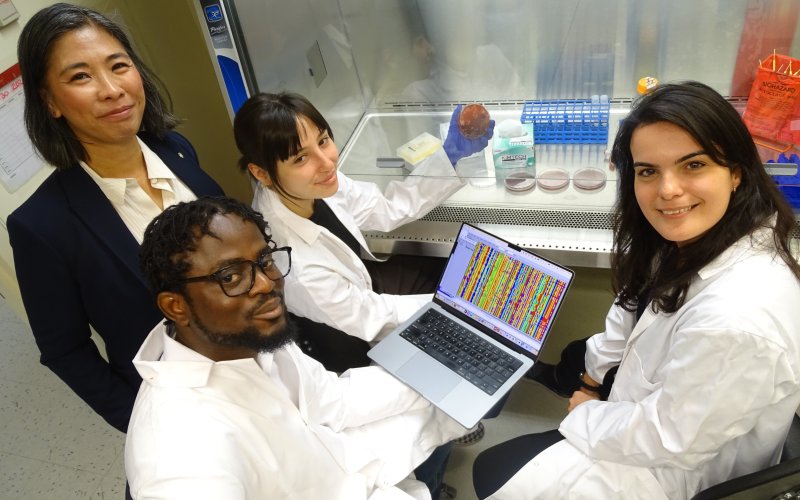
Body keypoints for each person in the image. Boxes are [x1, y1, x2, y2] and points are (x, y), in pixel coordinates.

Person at [471, 81, 800, 499]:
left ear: (736, 171)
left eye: (693, 165)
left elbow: (670, 439)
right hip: (638, 417)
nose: (667, 191)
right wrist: (591, 380)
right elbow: (631, 311)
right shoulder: (696, 236)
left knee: (496, 472)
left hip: (671, 474)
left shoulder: (737, 319)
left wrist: (585, 415)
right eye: (648, 171)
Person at [125, 196, 466, 499]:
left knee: (457, 407)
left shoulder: (248, 340)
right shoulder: (178, 454)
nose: (266, 284)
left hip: (347, 469)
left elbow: (332, 399)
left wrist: (450, 370)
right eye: (230, 277)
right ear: (175, 306)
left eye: (265, 261)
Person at [7, 3, 224, 433]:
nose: (111, 89)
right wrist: (145, 425)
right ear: (50, 101)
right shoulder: (41, 226)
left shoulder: (174, 148)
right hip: (182, 410)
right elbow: (65, 351)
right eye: (80, 76)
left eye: (118, 65)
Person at [233, 92, 493, 371]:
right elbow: (370, 316)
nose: (327, 162)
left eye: (323, 141)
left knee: (468, 272)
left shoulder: (309, 185)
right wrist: (456, 305)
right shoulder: (295, 268)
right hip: (350, 344)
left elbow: (385, 208)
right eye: (300, 158)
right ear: (262, 173)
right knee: (471, 310)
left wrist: (448, 156)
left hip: (364, 288)